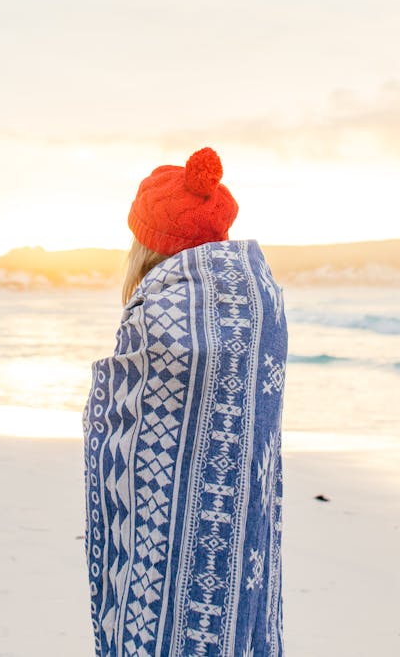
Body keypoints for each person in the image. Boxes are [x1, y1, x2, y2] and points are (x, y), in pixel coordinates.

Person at [83, 146, 288, 657]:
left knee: (160, 607)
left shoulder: (156, 310)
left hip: (163, 538)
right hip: (241, 526)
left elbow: (121, 427)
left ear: (146, 242)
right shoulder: (260, 303)